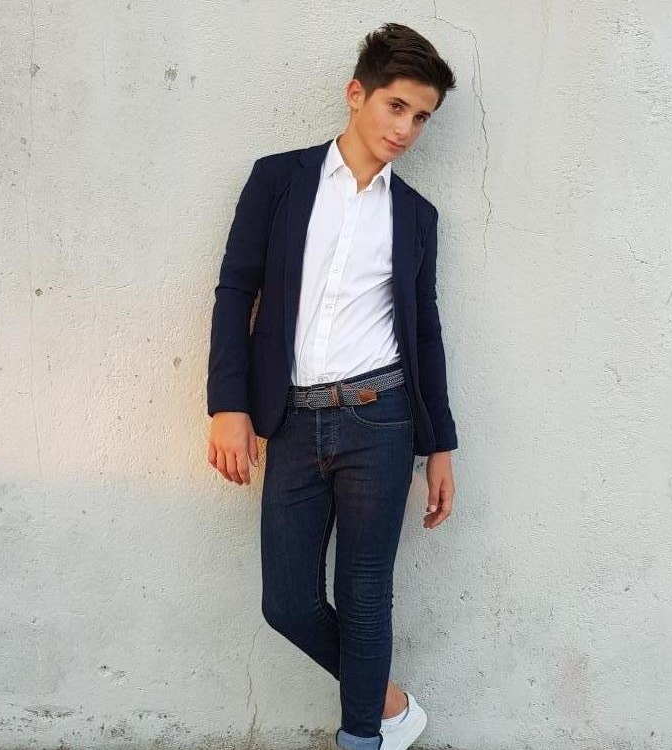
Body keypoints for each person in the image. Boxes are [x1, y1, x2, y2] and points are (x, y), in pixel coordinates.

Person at [206, 22, 458, 750]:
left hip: (381, 422)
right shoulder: (278, 180)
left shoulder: (416, 216)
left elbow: (425, 331)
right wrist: (228, 405)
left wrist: (440, 445)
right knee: (287, 603)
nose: (406, 129)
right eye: (396, 106)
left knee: (365, 595)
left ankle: (362, 738)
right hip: (291, 419)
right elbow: (236, 290)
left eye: (421, 117)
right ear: (356, 94)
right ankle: (388, 703)